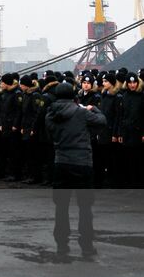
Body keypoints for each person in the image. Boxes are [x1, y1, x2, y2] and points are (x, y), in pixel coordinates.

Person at [45, 81, 106, 257]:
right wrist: (93, 109)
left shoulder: (50, 114)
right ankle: (86, 245)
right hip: (82, 162)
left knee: (61, 207)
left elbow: (50, 133)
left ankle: (62, 245)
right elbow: (102, 122)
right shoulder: (81, 113)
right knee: (85, 207)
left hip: (61, 161)